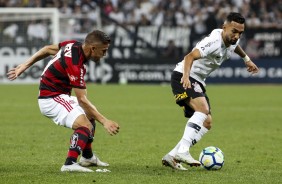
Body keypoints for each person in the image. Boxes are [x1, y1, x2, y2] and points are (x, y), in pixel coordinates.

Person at [7, 30, 120, 172]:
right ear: (93, 48)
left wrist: (24, 65)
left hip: (58, 95)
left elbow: (47, 49)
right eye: (103, 51)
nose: (105, 54)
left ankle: (87, 157)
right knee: (85, 125)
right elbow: (82, 100)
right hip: (51, 98)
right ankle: (69, 163)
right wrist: (105, 121)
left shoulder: (73, 45)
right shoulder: (75, 64)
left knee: (91, 113)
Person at [162, 12, 259, 170]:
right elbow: (189, 57)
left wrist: (247, 59)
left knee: (206, 122)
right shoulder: (214, 41)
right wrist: (186, 77)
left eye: (240, 33)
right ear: (224, 28)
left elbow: (235, 47)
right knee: (203, 109)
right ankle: (184, 151)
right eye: (234, 31)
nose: (236, 36)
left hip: (198, 80)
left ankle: (172, 155)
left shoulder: (232, 39)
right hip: (184, 75)